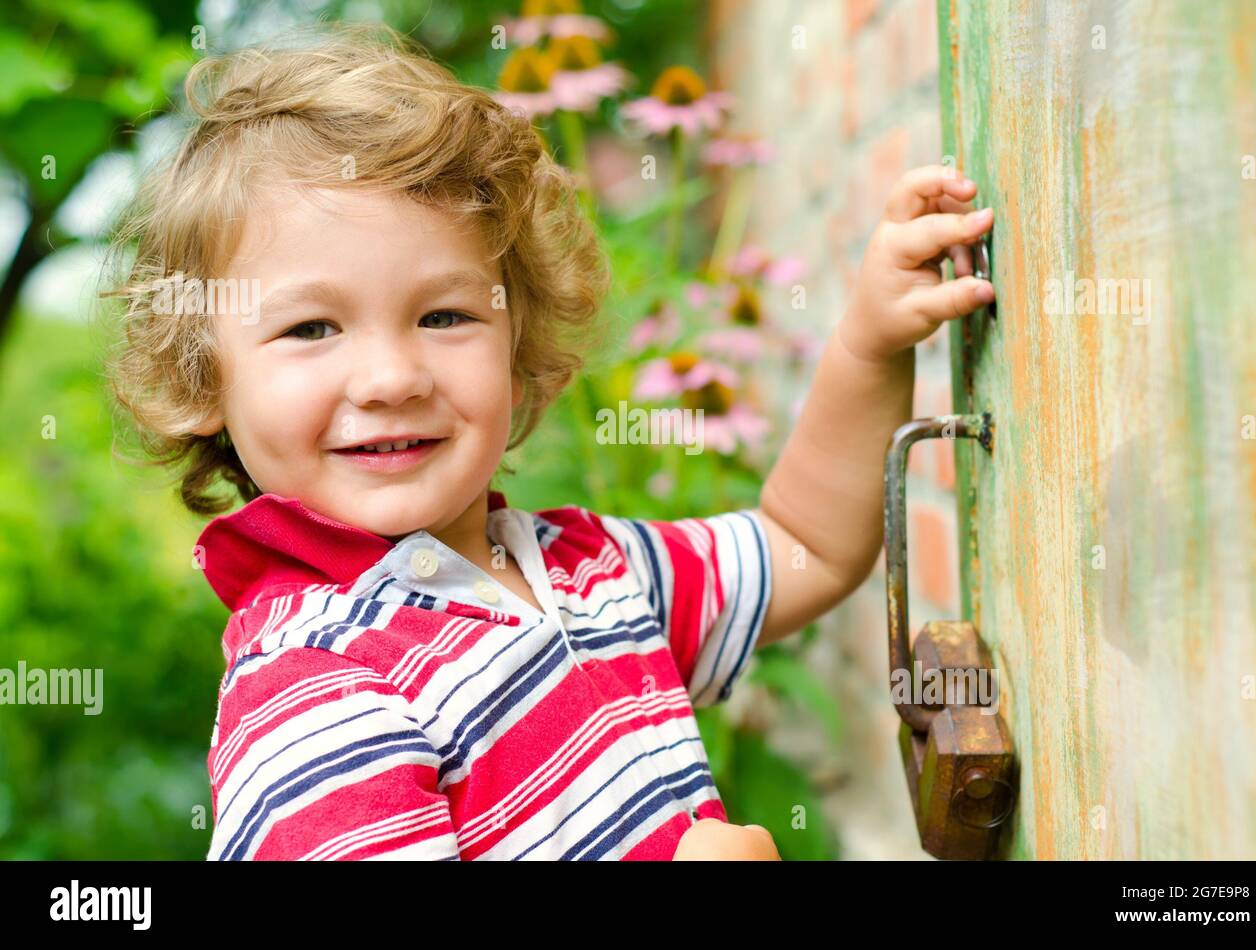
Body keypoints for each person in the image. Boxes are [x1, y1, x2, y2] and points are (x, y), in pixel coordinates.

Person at [102, 22, 994, 861]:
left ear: (518, 345)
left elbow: (805, 545)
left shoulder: (586, 569)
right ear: (203, 380)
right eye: (311, 329)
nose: (390, 378)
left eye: (444, 314)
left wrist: (869, 342)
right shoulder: (314, 695)